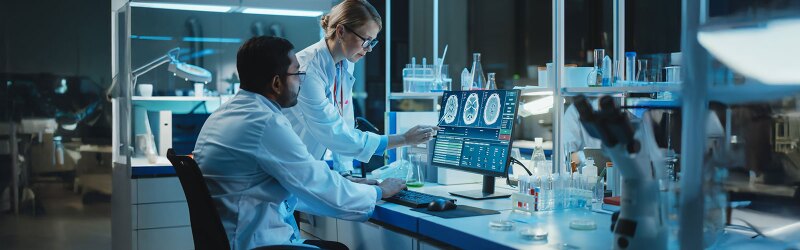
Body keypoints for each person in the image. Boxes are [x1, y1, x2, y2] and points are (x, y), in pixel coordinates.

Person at [193, 36, 406, 250]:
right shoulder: (265, 123)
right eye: (297, 73)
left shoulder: (224, 114)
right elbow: (318, 186)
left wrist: (348, 185)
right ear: (276, 83)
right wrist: (379, 191)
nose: (301, 80)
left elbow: (303, 179)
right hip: (256, 243)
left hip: (239, 237)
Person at [283, 0, 437, 179]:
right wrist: (403, 139)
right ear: (341, 31)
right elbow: (334, 133)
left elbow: (344, 121)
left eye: (373, 42)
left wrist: (345, 172)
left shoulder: (344, 65)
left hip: (304, 169)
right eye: (366, 41)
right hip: (287, 169)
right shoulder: (308, 70)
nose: (369, 49)